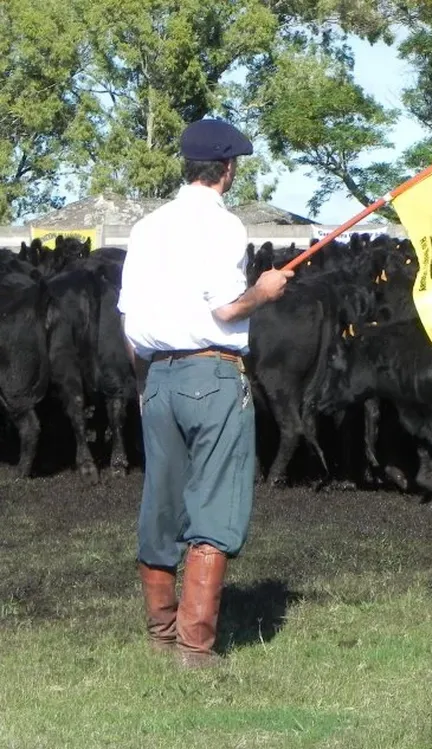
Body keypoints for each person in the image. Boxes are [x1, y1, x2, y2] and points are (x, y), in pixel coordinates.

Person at [117, 118, 294, 668]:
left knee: (162, 500)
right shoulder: (222, 227)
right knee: (216, 500)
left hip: (157, 378)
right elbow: (225, 309)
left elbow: (128, 320)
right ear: (227, 169)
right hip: (211, 375)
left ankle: (160, 632)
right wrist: (262, 293)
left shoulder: (148, 227)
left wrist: (146, 383)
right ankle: (195, 648)